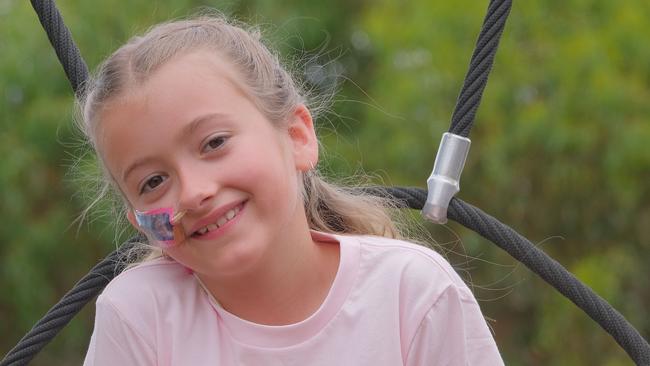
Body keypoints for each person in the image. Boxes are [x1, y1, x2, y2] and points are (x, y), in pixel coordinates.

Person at [78, 13, 504, 365]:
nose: (192, 193)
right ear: (139, 221)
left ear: (297, 136)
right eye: (153, 182)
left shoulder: (410, 292)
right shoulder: (138, 313)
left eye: (214, 143)